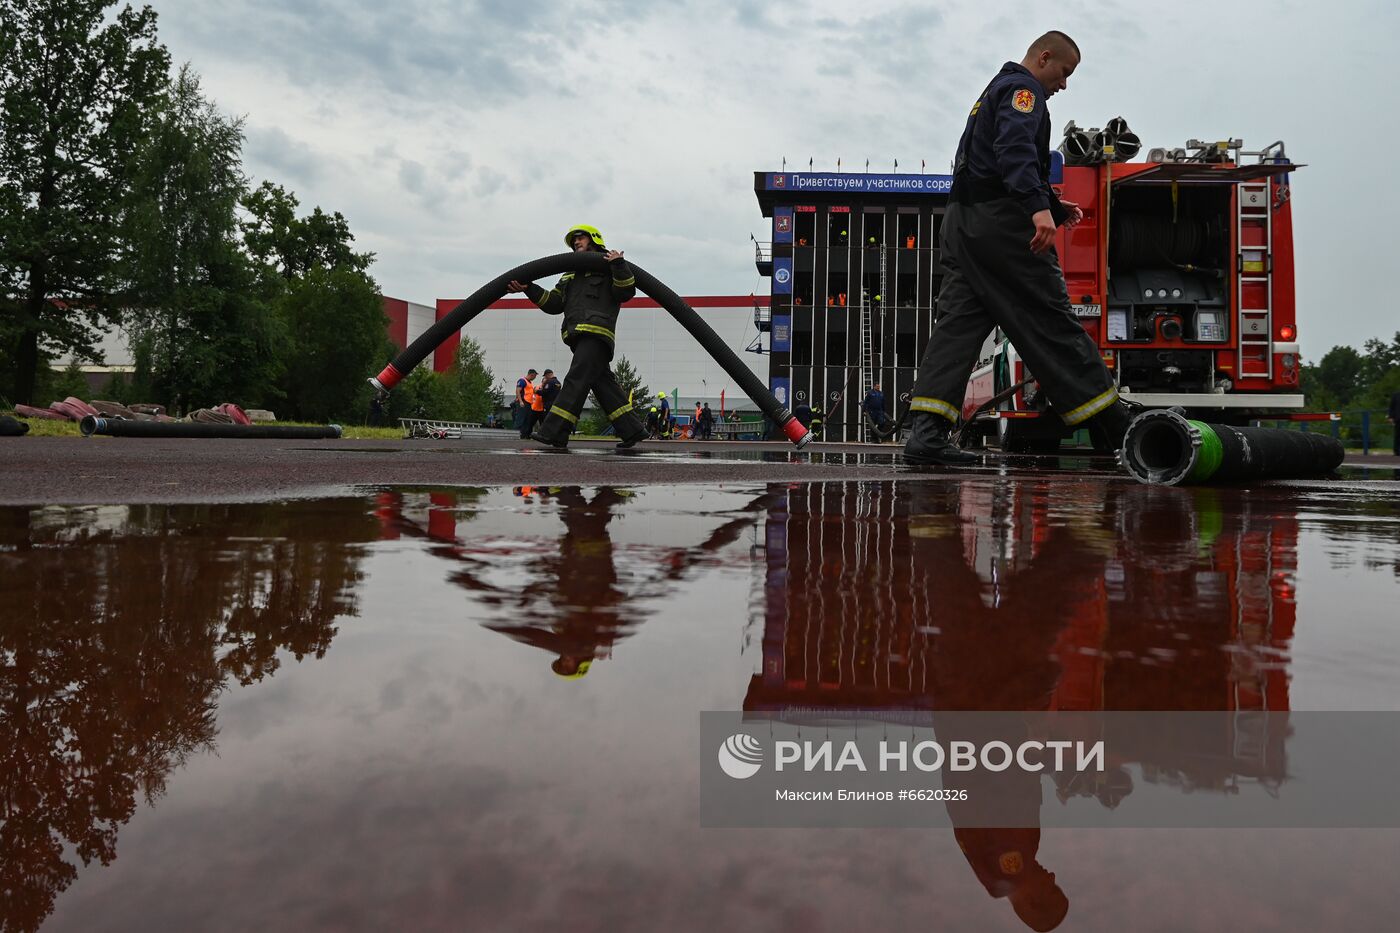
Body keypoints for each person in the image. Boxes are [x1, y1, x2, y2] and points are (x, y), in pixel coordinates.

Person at [903, 31, 1134, 465]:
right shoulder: (1023, 91)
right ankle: (1114, 426)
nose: (1063, 85)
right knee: (1050, 316)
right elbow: (1012, 150)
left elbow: (988, 162)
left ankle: (927, 433)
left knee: (959, 325)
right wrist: (1036, 210)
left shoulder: (993, 90)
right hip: (1000, 226)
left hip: (963, 224)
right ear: (1044, 57)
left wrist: (1049, 202)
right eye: (1064, 73)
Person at [507, 226, 648, 449]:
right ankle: (632, 430)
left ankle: (554, 431)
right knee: (603, 385)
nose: (575, 243)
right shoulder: (570, 274)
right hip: (577, 336)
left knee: (576, 379)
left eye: (580, 238)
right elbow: (554, 304)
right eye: (573, 240)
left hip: (596, 334)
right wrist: (529, 288)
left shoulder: (608, 266)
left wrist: (619, 265)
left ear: (593, 239)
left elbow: (626, 292)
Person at [514, 368, 538, 438]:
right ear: (532, 374)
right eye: (535, 376)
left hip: (528, 403)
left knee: (527, 420)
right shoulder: (522, 380)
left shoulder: (529, 382)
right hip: (523, 402)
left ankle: (524, 435)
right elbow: (518, 390)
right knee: (520, 419)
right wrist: (520, 401)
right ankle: (516, 434)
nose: (535, 378)